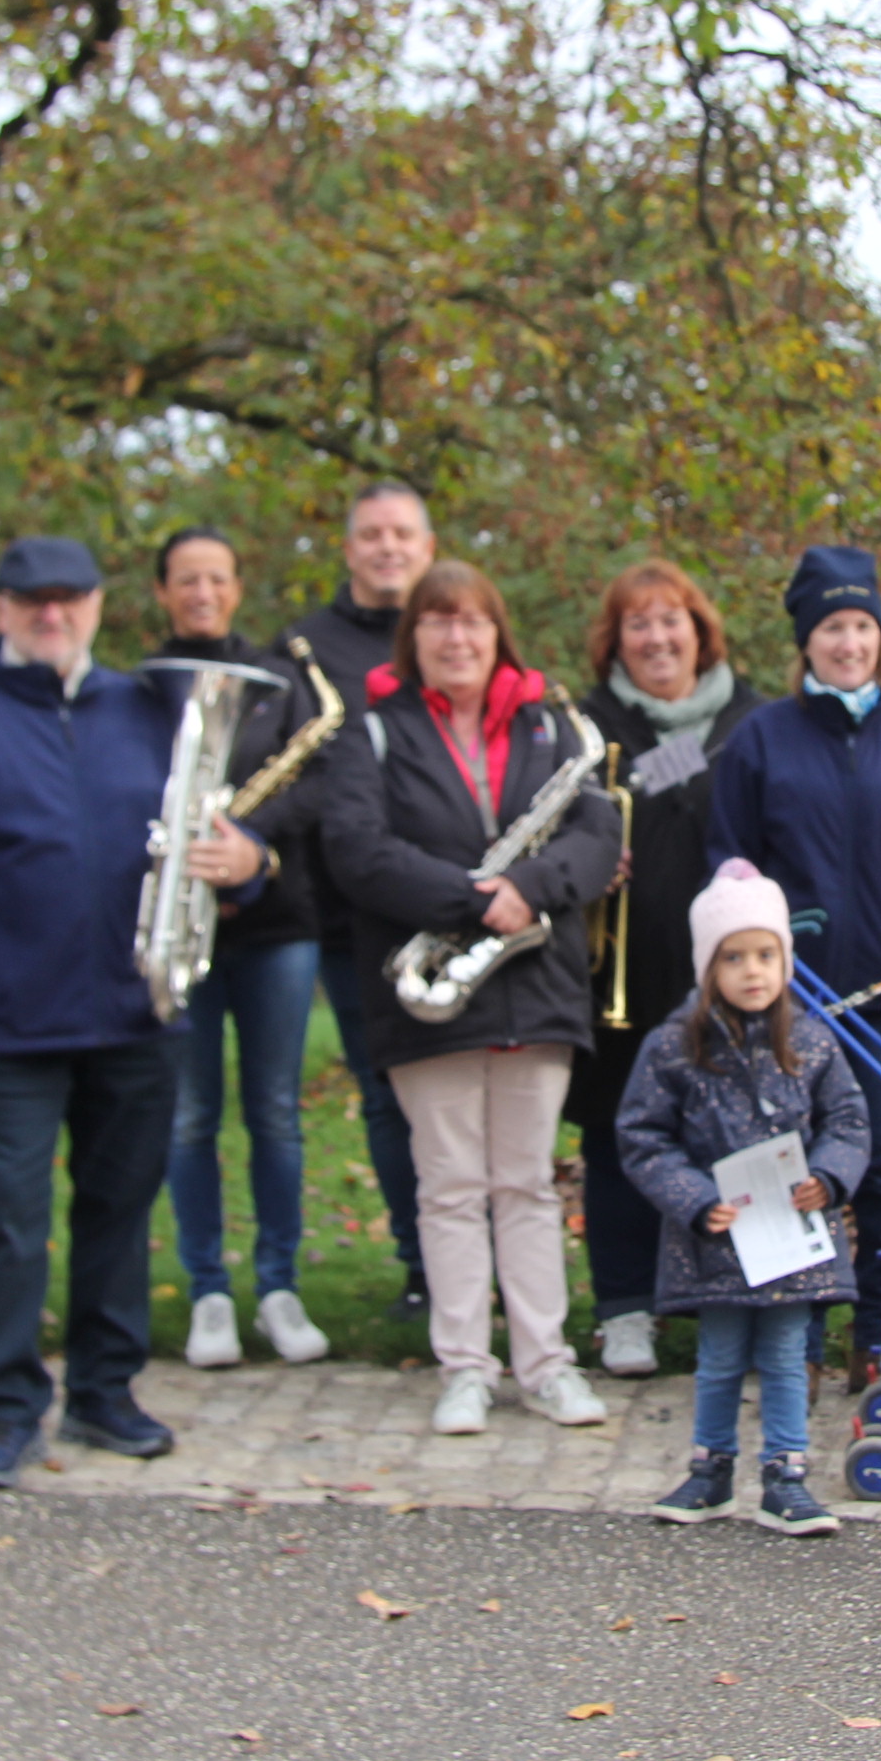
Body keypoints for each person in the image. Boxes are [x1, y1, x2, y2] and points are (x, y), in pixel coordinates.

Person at [0, 536, 273, 1488]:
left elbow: (209, 828)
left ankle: (105, 1392)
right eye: (30, 601)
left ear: (99, 606)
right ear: (1, 610)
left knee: (117, 1212)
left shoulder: (148, 713)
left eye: (69, 599)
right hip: (7, 1026)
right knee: (12, 1220)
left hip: (135, 1016)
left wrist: (250, 863)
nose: (51, 616)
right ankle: (11, 1410)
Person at [321, 560, 623, 1435]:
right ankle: (465, 1369)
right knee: (450, 1185)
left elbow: (597, 832)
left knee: (526, 1184)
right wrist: (472, 899)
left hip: (535, 980)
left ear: (498, 635)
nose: (457, 638)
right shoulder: (371, 732)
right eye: (437, 622)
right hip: (431, 986)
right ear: (412, 638)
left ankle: (547, 1366)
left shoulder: (551, 725)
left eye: (473, 622)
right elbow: (354, 847)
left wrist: (531, 885)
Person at [706, 547, 881, 1354]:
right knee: (788, 1171)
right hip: (791, 1002)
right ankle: (789, 1338)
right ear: (808, 640)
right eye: (833, 626)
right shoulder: (761, 740)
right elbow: (730, 864)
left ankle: (878, 1334)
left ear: (879, 636)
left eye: (862, 625)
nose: (849, 642)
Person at [621, 860, 870, 1535]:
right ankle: (710, 1470)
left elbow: (848, 1119)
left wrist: (830, 1175)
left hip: (793, 1240)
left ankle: (786, 1475)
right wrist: (696, 1199)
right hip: (718, 1241)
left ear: (785, 958)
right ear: (709, 966)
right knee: (722, 1358)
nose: (753, 971)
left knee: (789, 1356)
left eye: (766, 954)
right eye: (734, 958)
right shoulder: (674, 1048)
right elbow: (642, 1135)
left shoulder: (813, 1040)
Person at [569, 560, 763, 1380]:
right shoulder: (586, 726)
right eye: (636, 624)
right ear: (615, 641)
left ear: (700, 628)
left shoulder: (753, 719)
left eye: (670, 619)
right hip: (625, 975)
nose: (655, 638)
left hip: (733, 975)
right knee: (620, 1140)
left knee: (740, 1139)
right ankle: (625, 1310)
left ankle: (744, 1306)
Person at [148, 527, 330, 1372]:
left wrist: (254, 847)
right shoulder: (135, 693)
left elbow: (312, 788)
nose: (201, 592)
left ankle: (280, 1286)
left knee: (275, 1114)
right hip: (176, 925)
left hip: (274, 926)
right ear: (162, 592)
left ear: (235, 587)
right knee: (188, 1117)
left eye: (216, 578)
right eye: (186, 580)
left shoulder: (280, 684)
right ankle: (208, 1292)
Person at [283, 481, 440, 1321]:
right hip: (353, 918)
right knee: (387, 1095)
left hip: (454, 909)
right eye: (372, 535)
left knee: (463, 1092)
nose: (387, 548)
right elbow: (293, 770)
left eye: (403, 535)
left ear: (427, 545)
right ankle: (420, 1262)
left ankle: (478, 1258)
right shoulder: (306, 648)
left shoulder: (455, 627)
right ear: (350, 549)